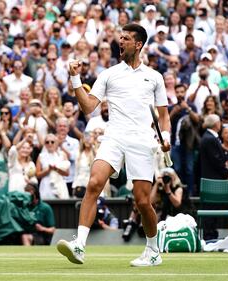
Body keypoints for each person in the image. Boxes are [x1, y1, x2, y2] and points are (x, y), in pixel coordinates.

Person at [57, 24, 171, 267]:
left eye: (126, 38)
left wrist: (167, 136)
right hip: (114, 137)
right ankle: (80, 245)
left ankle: (152, 250)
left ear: (138, 44)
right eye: (120, 38)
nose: (121, 42)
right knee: (94, 183)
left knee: (142, 202)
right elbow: (88, 107)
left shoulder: (155, 77)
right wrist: (75, 78)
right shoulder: (108, 74)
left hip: (142, 140)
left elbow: (163, 116)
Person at [200, 114, 228, 180]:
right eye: (219, 122)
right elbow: (216, 160)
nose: (220, 124)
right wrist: (226, 173)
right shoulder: (210, 139)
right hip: (213, 177)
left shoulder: (208, 136)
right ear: (216, 124)